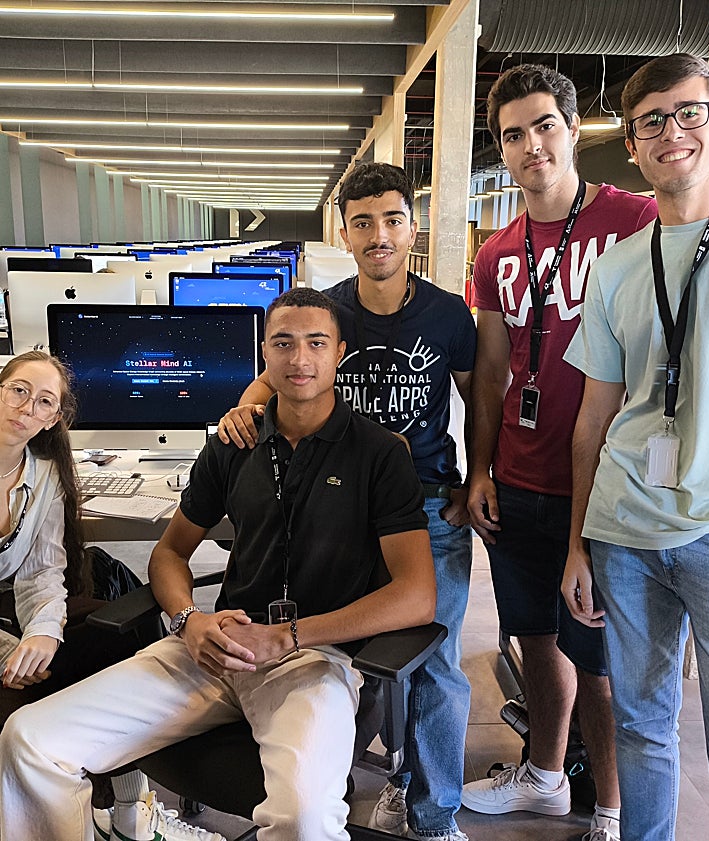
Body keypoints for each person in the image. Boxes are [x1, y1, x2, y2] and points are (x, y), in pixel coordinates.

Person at [0, 287, 437, 841]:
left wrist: (288, 637)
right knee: (29, 740)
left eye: (315, 343)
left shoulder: (378, 453)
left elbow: (417, 594)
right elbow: (169, 553)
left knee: (304, 817)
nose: (299, 359)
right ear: (264, 354)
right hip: (213, 648)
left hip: (313, 659)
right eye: (283, 343)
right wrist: (189, 620)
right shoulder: (234, 443)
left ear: (339, 353)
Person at [218, 163, 476, 841]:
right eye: (362, 222)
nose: (378, 233)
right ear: (345, 232)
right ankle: (322, 784)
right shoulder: (329, 311)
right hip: (337, 504)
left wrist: (477, 480)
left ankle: (432, 812)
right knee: (335, 643)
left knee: (432, 664)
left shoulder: (448, 313)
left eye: (391, 218)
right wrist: (243, 410)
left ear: (411, 226)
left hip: (424, 502)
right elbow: (271, 378)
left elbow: (483, 402)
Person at [461, 64, 657, 841]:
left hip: (606, 484)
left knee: (599, 659)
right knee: (535, 638)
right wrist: (479, 468)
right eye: (513, 134)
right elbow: (489, 375)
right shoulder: (495, 253)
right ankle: (544, 776)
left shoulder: (633, 217)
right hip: (518, 476)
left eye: (544, 125)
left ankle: (609, 809)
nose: (530, 144)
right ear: (501, 150)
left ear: (574, 130)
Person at [562, 52, 709, 841]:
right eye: (651, 119)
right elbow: (594, 415)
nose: (672, 132)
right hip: (623, 529)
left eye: (690, 111)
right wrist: (578, 543)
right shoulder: (618, 265)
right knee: (645, 724)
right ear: (630, 142)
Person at [0, 350, 222, 841]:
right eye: (18, 390)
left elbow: (43, 573)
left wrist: (42, 634)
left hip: (15, 611)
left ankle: (128, 814)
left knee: (123, 630)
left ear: (53, 418)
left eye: (43, 401)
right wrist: (8, 650)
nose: (26, 407)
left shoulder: (46, 475)